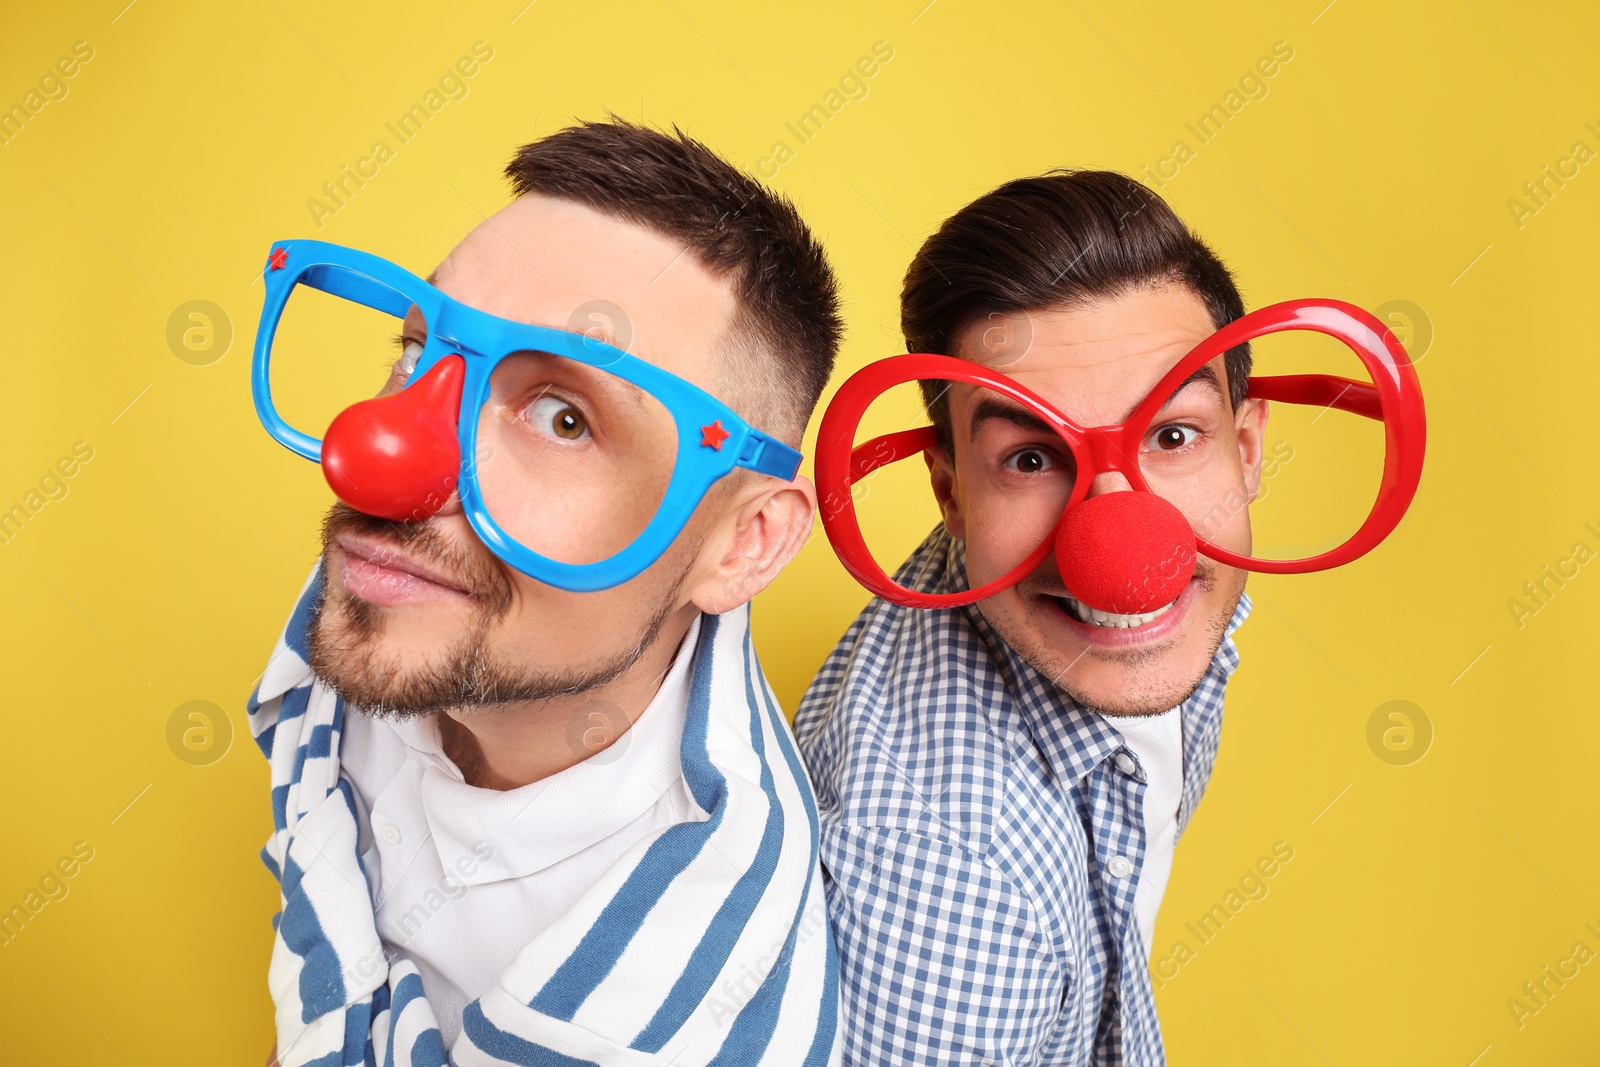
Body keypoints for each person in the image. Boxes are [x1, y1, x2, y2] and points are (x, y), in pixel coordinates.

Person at [248, 119, 844, 1066]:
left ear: (741, 544)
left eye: (564, 416)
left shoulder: (684, 1018)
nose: (378, 459)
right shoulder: (395, 591)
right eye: (415, 353)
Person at [794, 170, 1267, 1065]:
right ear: (951, 494)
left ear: (1243, 453)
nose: (1124, 553)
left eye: (1171, 435)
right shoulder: (952, 890)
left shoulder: (1185, 595)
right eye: (1032, 458)